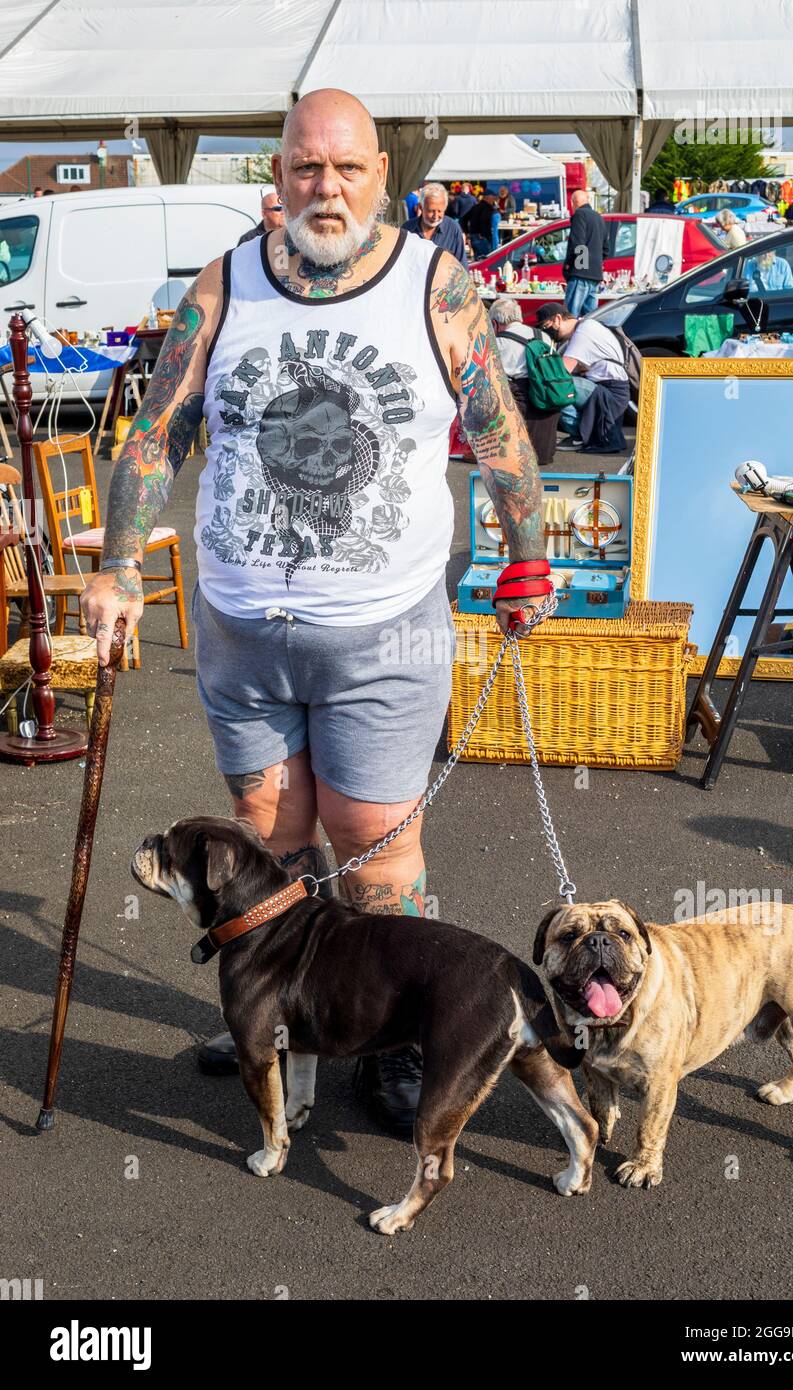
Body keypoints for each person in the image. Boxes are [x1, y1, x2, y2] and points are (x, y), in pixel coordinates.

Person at [80, 86, 548, 1135]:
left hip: (386, 634)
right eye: (303, 166)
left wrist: (527, 559)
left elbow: (497, 426)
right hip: (243, 633)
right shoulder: (226, 287)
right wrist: (115, 564)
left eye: (345, 167)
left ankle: (390, 1035)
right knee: (267, 838)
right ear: (277, 175)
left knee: (375, 851)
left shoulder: (435, 286)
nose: (323, 186)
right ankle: (275, 1009)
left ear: (382, 175)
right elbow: (157, 431)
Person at [535, 303, 629, 454]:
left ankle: (579, 434)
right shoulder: (585, 325)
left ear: (558, 319)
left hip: (610, 392)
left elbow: (561, 373)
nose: (546, 332)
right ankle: (582, 432)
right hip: (608, 388)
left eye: (546, 326)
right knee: (556, 387)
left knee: (554, 389)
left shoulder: (583, 332)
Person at [488, 297, 559, 467]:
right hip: (548, 400)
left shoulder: (499, 342)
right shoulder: (543, 336)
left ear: (495, 323)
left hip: (519, 401)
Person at [562, 189, 607, 319]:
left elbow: (578, 244)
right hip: (595, 275)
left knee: (569, 317)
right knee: (590, 319)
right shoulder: (599, 217)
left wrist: (570, 267)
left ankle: (568, 340)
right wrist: (594, 264)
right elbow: (605, 249)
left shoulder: (579, 215)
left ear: (573, 202)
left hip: (581, 274)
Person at [401, 181, 467, 266]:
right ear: (421, 207)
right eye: (431, 211)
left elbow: (462, 265)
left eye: (440, 211)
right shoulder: (407, 229)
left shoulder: (453, 229)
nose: (435, 216)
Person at [461, 189, 500, 258]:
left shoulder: (475, 207)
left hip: (474, 237)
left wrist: (467, 232)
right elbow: (483, 220)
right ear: (487, 197)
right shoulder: (488, 208)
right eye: (493, 197)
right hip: (482, 239)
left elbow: (463, 219)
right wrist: (483, 234)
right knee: (485, 261)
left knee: (478, 261)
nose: (494, 199)